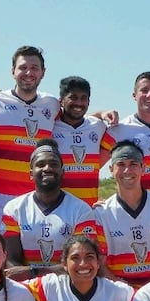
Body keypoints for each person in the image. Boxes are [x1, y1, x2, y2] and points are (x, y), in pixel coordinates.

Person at [0, 46, 61, 229]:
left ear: (43, 72)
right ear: (13, 71)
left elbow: (75, 121)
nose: (28, 73)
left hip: (37, 198)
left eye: (34, 68)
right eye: (23, 67)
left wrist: (102, 114)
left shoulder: (52, 104)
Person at [92, 141, 150, 288]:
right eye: (121, 164)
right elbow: (99, 263)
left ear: (143, 168)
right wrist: (123, 288)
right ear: (111, 169)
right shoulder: (101, 213)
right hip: (117, 289)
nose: (127, 170)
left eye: (133, 164)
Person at [1, 139, 95, 280]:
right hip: (26, 286)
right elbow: (10, 260)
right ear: (31, 173)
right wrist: (32, 280)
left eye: (53, 164)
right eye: (40, 165)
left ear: (62, 172)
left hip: (67, 285)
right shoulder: (13, 209)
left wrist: (34, 272)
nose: (47, 168)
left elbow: (81, 263)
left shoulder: (81, 210)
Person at [51, 76, 115, 206]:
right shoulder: (50, 126)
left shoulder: (98, 126)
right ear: (61, 101)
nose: (79, 103)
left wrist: (103, 113)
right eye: (73, 97)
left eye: (83, 98)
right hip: (57, 208)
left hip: (88, 209)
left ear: (89, 101)